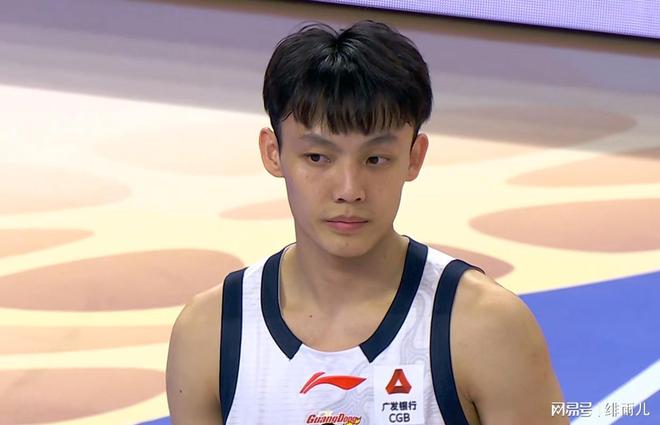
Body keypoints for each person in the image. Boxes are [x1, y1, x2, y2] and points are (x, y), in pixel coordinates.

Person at [166, 20, 568, 425]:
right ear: (273, 153)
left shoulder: (488, 328)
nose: (349, 189)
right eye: (317, 158)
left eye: (375, 159)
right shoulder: (209, 334)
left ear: (414, 157)